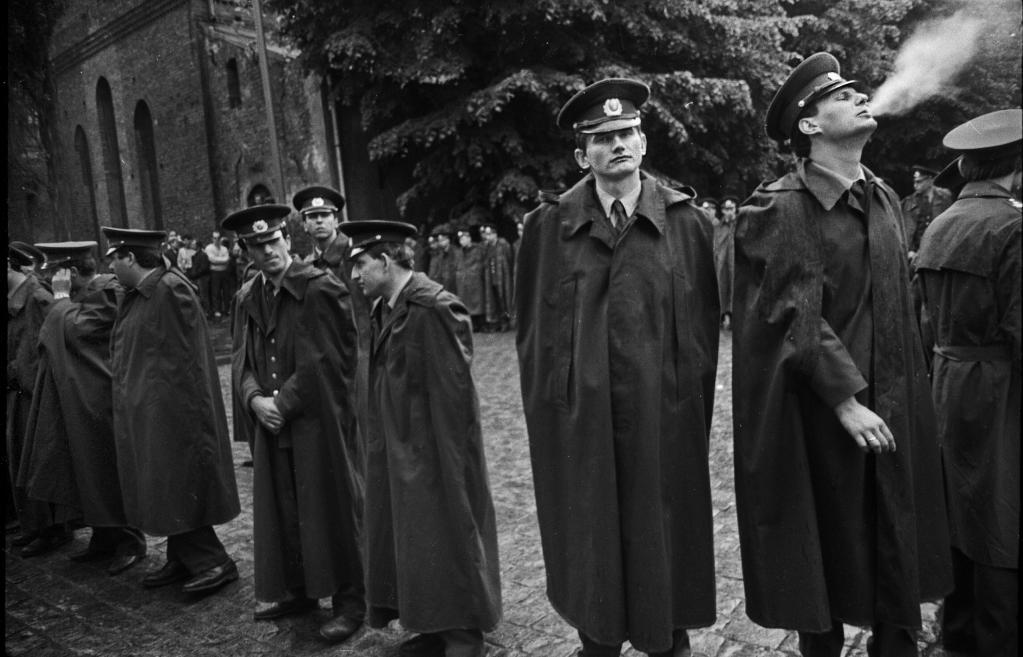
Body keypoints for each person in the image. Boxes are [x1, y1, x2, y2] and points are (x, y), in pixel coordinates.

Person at [731, 53, 952, 656]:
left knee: (898, 544)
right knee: (823, 552)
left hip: (897, 403)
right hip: (823, 415)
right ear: (809, 126)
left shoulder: (880, 194)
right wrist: (847, 400)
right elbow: (792, 313)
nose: (860, 98)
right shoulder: (780, 204)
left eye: (859, 91)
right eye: (842, 96)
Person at [516, 78, 720, 657]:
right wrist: (560, 409)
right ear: (584, 155)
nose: (618, 144)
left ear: (644, 141)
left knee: (664, 525)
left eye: (627, 132)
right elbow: (533, 338)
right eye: (602, 139)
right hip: (583, 418)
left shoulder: (687, 223)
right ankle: (597, 640)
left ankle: (668, 638)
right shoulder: (548, 227)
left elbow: (703, 332)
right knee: (591, 530)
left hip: (664, 411)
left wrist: (686, 403)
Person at [339, 220, 501, 657]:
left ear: (386, 261)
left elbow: (454, 400)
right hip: (400, 448)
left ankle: (464, 637)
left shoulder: (432, 307)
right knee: (414, 542)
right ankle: (434, 625)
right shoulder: (388, 305)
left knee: (447, 533)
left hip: (432, 457)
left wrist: (440, 467)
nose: (354, 276)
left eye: (360, 265)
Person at [224, 205, 365, 643]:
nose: (268, 251)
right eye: (257, 245)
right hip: (272, 419)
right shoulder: (248, 295)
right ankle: (300, 590)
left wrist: (280, 403)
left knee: (331, 505)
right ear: (246, 250)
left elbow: (330, 359)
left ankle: (351, 601)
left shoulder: (319, 287)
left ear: (288, 239)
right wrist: (252, 398)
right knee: (286, 507)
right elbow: (241, 357)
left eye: (274, 241)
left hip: (315, 421)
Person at [913, 109, 1021, 657]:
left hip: (948, 382)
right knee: (1003, 517)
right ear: (1016, 169)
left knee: (959, 509)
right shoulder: (1014, 226)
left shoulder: (941, 223)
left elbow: (921, 318)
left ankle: (956, 633)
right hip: (1001, 388)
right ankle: (998, 639)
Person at [102, 227, 240, 595]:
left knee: (176, 482)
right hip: (150, 408)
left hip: (172, 411)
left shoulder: (169, 289)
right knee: (166, 485)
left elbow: (186, 361)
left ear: (130, 257)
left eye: (114, 258)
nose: (111, 266)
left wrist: (169, 409)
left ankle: (213, 561)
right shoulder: (141, 293)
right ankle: (183, 556)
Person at [17, 242, 146, 575]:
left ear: (71, 272)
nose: (49, 282)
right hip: (83, 398)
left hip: (103, 399)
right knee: (90, 472)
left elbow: (74, 331)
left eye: (54, 274)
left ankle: (130, 541)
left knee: (109, 470)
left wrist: (60, 302)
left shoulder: (106, 291)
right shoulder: (85, 294)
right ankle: (104, 538)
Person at [7, 243, 71, 556]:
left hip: (36, 392)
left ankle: (53, 529)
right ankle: (35, 525)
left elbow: (56, 342)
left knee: (41, 459)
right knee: (21, 456)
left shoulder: (37, 296)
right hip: (19, 391)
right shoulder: (15, 299)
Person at [900, 164, 953, 261]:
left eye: (919, 182)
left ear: (930, 180)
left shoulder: (945, 199)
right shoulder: (909, 203)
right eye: (915, 182)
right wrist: (910, 250)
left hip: (939, 252)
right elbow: (904, 229)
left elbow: (950, 226)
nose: (915, 185)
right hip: (915, 255)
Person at [480, 222, 513, 332]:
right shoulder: (486, 247)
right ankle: (496, 322)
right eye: (486, 234)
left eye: (489, 234)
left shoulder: (503, 245)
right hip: (491, 278)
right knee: (493, 300)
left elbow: (509, 260)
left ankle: (506, 321)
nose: (487, 237)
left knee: (503, 298)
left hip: (502, 277)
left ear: (495, 234)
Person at [714, 196, 738, 330]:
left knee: (735, 286)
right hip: (722, 262)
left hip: (736, 263)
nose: (728, 212)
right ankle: (724, 315)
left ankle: (734, 316)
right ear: (722, 210)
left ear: (735, 209)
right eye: (725, 209)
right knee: (721, 285)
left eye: (731, 208)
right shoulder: (718, 226)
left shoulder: (740, 223)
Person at [454, 226, 485, 331]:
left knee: (478, 302)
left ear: (469, 238)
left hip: (475, 280)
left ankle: (481, 324)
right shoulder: (459, 252)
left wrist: (473, 273)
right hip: (464, 281)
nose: (461, 241)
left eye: (463, 239)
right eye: (460, 240)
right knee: (466, 303)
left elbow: (479, 263)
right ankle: (472, 325)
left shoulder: (477, 249)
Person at [205, 230, 232, 318]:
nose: (216, 240)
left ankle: (227, 309)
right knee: (215, 291)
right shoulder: (209, 248)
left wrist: (219, 260)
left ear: (220, 239)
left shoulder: (224, 248)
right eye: (215, 238)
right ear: (212, 239)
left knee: (226, 291)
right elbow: (212, 259)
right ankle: (217, 310)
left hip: (224, 271)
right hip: (214, 272)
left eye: (218, 238)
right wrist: (222, 259)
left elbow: (227, 258)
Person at [427, 223, 458, 292]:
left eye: (442, 240)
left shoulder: (455, 253)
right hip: (442, 287)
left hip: (452, 288)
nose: (440, 242)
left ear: (448, 240)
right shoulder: (439, 254)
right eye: (439, 240)